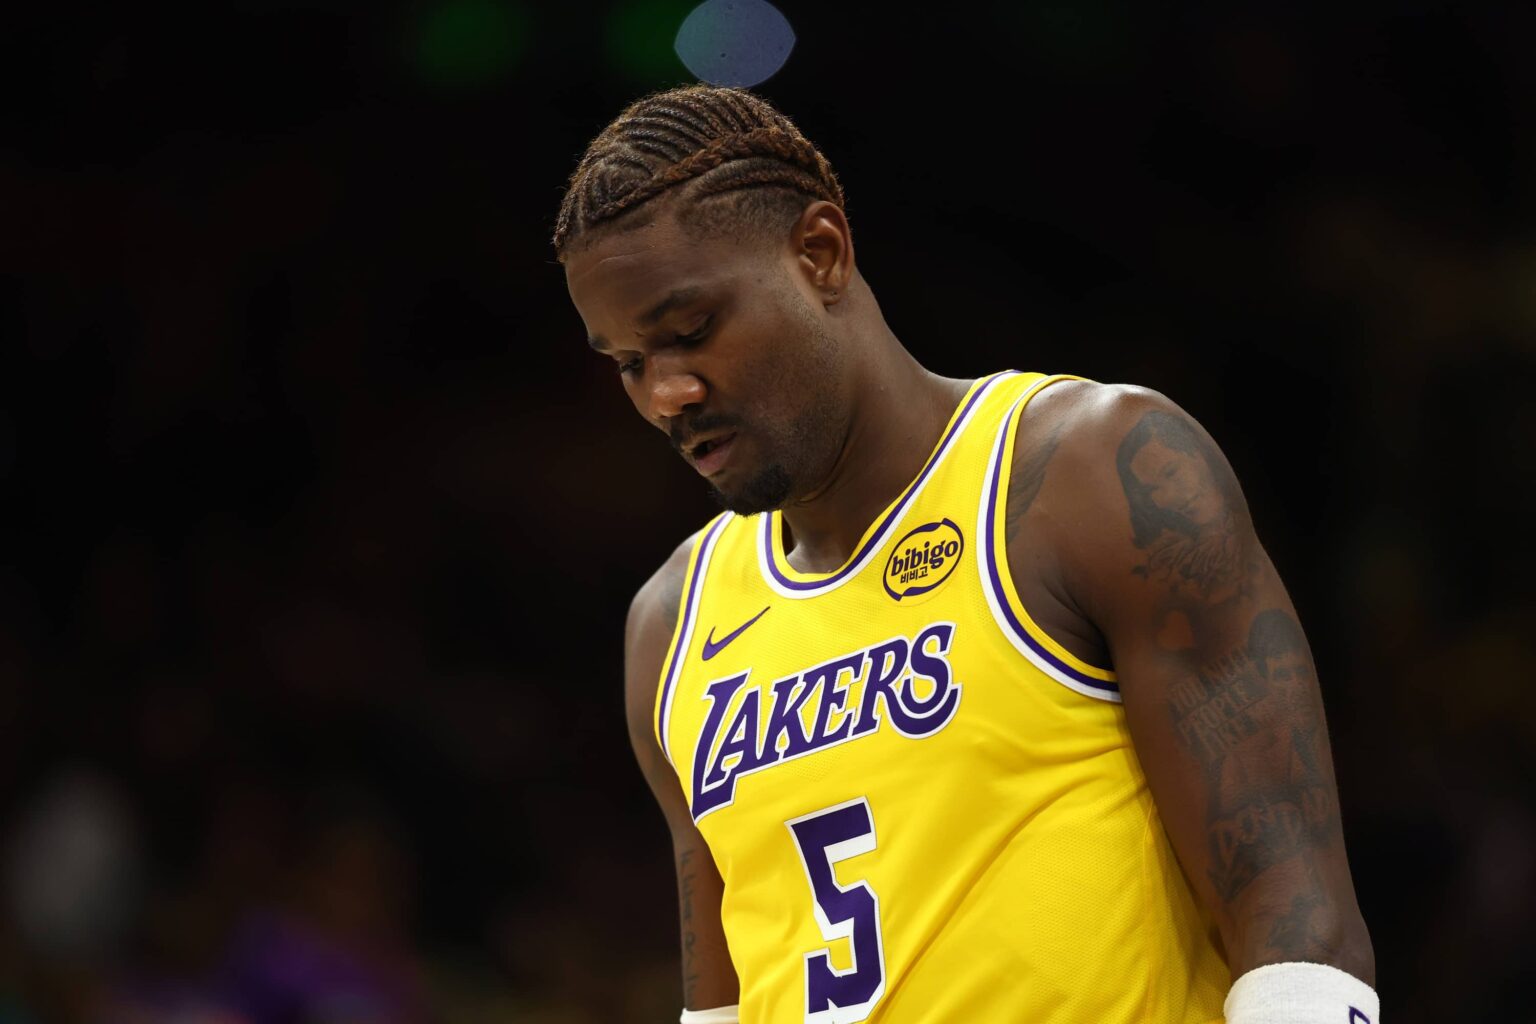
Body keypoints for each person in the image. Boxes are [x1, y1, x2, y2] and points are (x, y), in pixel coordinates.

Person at [554, 84, 1376, 1024]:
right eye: (626, 363)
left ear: (819, 254)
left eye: (691, 331)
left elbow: (1297, 921)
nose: (665, 392)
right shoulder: (671, 624)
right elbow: (721, 1010)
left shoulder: (1088, 476)